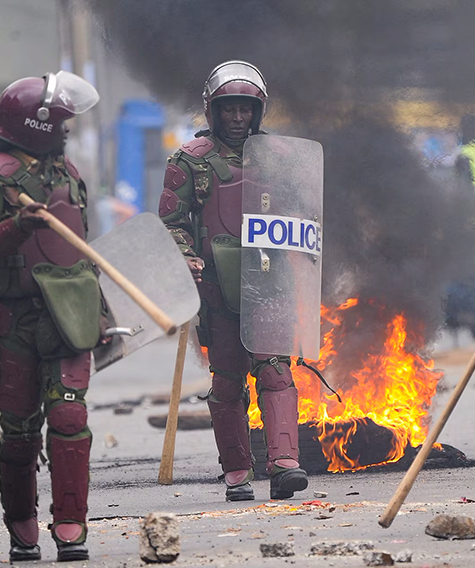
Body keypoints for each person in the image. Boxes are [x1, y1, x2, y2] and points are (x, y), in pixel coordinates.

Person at [0, 71, 102, 562]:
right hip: (12, 320)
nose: (65, 130)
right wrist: (19, 224)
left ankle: (71, 524)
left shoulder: (68, 173)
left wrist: (98, 306)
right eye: (59, 122)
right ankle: (22, 524)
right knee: (21, 431)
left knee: (69, 414)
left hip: (68, 313)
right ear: (37, 125)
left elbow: (79, 249)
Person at [159, 60, 308, 502]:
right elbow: (170, 221)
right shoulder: (189, 161)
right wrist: (186, 256)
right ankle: (238, 473)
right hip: (216, 285)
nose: (237, 118)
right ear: (214, 111)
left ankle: (284, 467)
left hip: (271, 279)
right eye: (229, 110)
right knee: (227, 381)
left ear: (257, 112)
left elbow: (306, 213)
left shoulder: (282, 160)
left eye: (245, 110)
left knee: (276, 370)